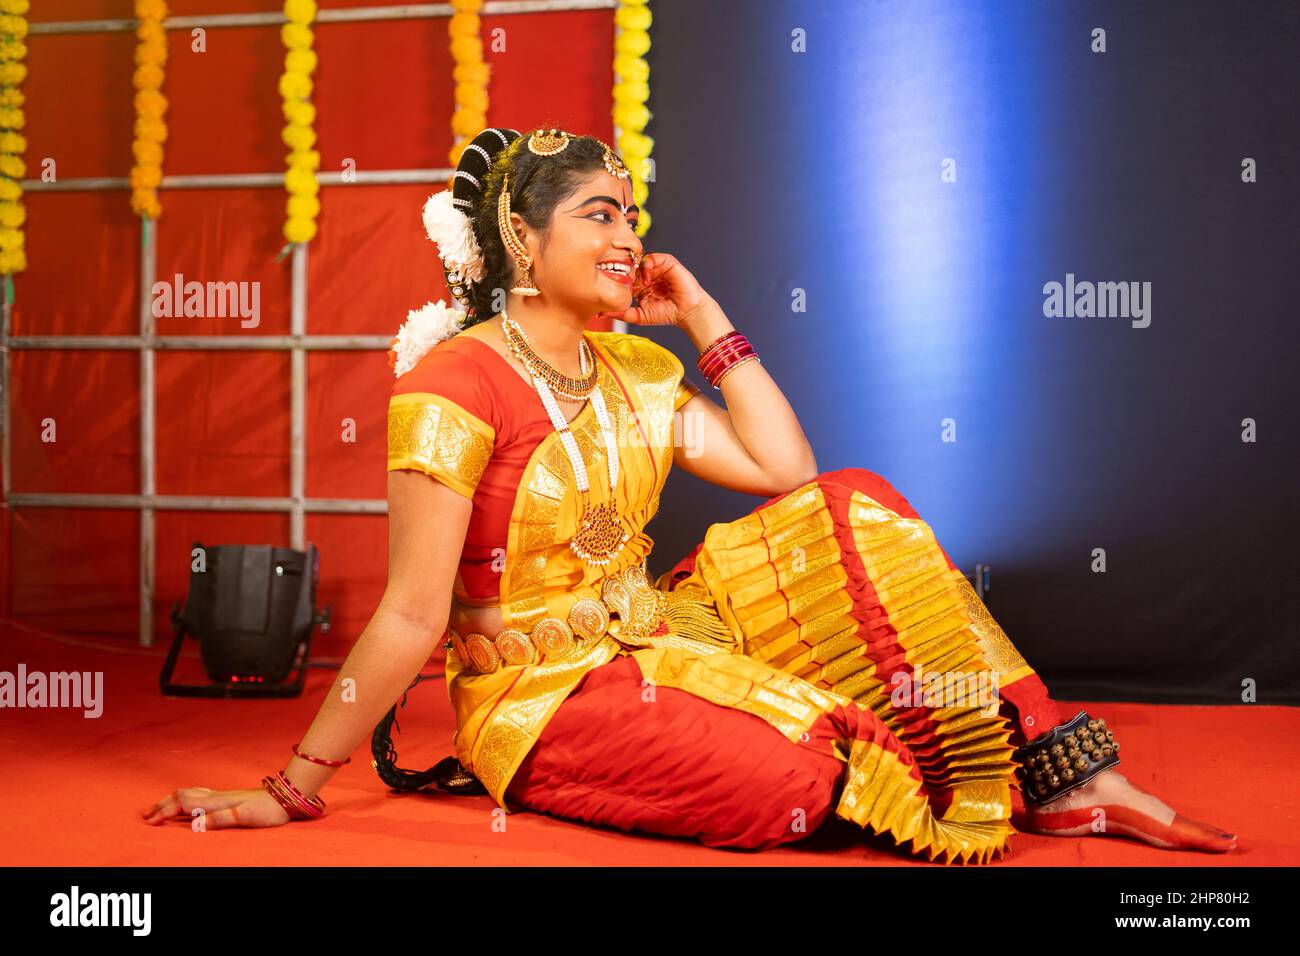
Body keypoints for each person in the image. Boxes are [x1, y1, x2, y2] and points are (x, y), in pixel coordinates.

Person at [143, 127, 1237, 864]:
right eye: (599, 217)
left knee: (857, 501)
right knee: (808, 773)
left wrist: (703, 314)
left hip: (659, 635)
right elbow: (411, 613)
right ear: (521, 237)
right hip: (544, 699)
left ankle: (1051, 768)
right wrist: (294, 782)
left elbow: (786, 470)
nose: (629, 240)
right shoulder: (453, 384)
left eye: (632, 216)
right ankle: (927, 755)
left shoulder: (633, 369)